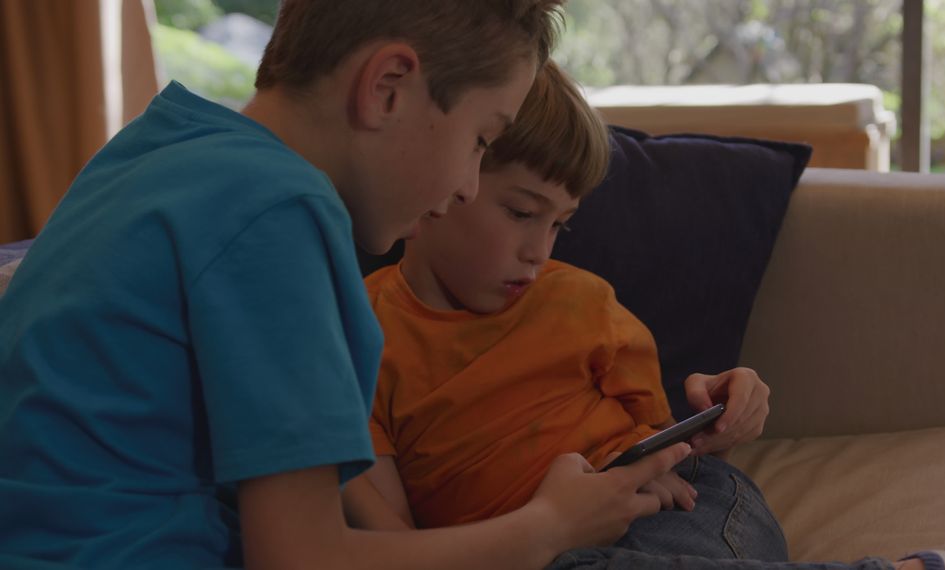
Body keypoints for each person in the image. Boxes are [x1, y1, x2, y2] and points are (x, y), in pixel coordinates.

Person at [0, 2, 696, 569]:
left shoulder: (153, 146)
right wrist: (547, 528)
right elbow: (302, 559)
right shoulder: (281, 212)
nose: (464, 186)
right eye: (482, 140)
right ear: (387, 86)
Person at [355, 61, 945, 570]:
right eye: (521, 213)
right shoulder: (362, 335)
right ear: (448, 176)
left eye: (559, 225)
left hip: (677, 508)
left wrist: (714, 417)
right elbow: (392, 540)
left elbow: (658, 440)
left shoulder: (580, 300)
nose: (537, 251)